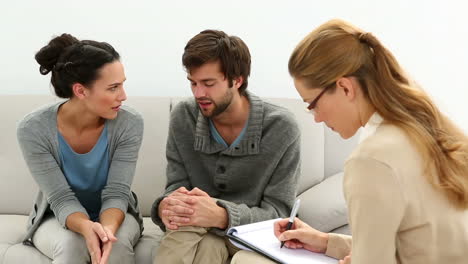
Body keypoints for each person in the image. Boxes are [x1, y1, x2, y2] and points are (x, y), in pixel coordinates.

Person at [231, 19, 468, 264]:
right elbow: (415, 243)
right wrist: (325, 242)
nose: (317, 118)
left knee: (246, 260)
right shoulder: (422, 129)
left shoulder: (371, 159)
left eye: (313, 104)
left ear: (345, 87)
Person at [150, 29, 301, 264]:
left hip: (253, 237)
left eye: (208, 83)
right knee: (200, 245)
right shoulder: (184, 117)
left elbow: (278, 214)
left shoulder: (280, 128)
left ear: (237, 80)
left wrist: (221, 216)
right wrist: (166, 207)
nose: (199, 93)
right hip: (196, 228)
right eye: (193, 83)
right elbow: (176, 188)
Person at [17, 33, 144, 264]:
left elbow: (117, 193)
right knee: (71, 245)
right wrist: (86, 227)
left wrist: (104, 231)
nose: (123, 96)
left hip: (116, 214)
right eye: (113, 87)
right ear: (81, 91)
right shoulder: (32, 129)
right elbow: (60, 198)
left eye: (122, 84)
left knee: (113, 245)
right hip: (56, 217)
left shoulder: (129, 123)